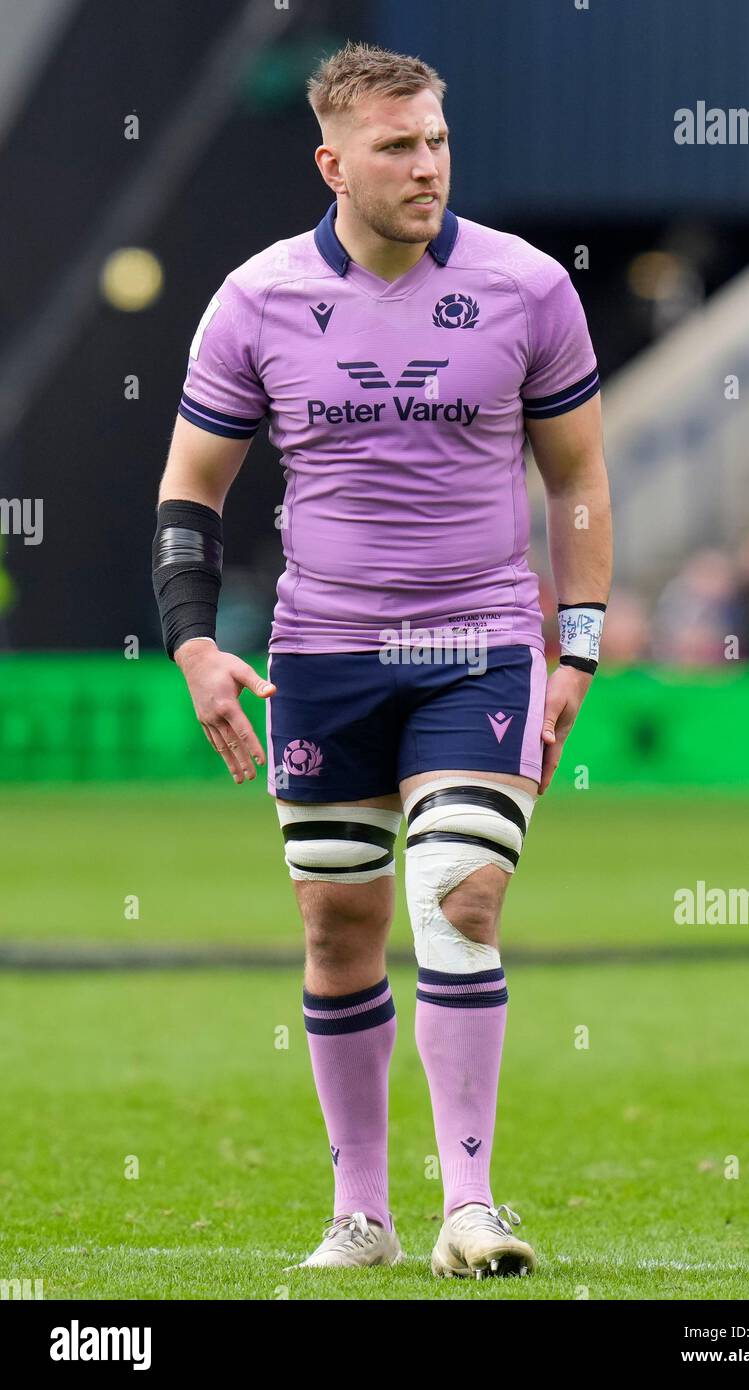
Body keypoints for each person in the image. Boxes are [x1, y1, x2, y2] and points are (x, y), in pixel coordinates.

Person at [152, 41, 612, 1279]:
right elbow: (191, 491)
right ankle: (362, 1212)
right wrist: (195, 641)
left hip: (479, 645)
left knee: (459, 893)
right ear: (331, 162)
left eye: (438, 141)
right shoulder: (254, 299)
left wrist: (577, 636)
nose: (426, 165)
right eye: (398, 146)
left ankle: (470, 1205)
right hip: (321, 650)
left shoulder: (526, 288)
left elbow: (574, 475)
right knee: (338, 925)